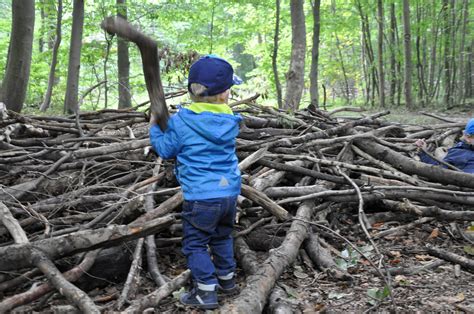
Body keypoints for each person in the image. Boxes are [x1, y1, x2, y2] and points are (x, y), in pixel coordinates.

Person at [149, 55, 242, 309]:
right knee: (222, 237)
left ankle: (205, 292)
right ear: (224, 94)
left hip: (201, 196)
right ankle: (227, 280)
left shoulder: (182, 121)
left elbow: (166, 150)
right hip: (229, 192)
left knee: (195, 243)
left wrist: (156, 128)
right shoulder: (230, 119)